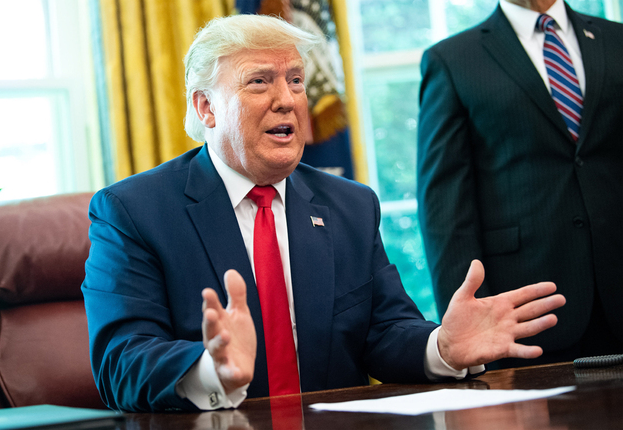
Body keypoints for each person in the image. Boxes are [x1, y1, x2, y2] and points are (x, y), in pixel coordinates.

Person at [82, 14, 565, 412]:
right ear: (206, 107)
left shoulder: (349, 205)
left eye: (295, 80)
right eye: (260, 82)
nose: (287, 99)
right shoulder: (133, 212)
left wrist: (440, 347)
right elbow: (120, 361)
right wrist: (211, 368)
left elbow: (383, 330)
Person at [417, 0, 622, 369]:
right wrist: (472, 332)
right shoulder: (452, 60)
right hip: (526, 315)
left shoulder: (617, 40)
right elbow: (445, 210)